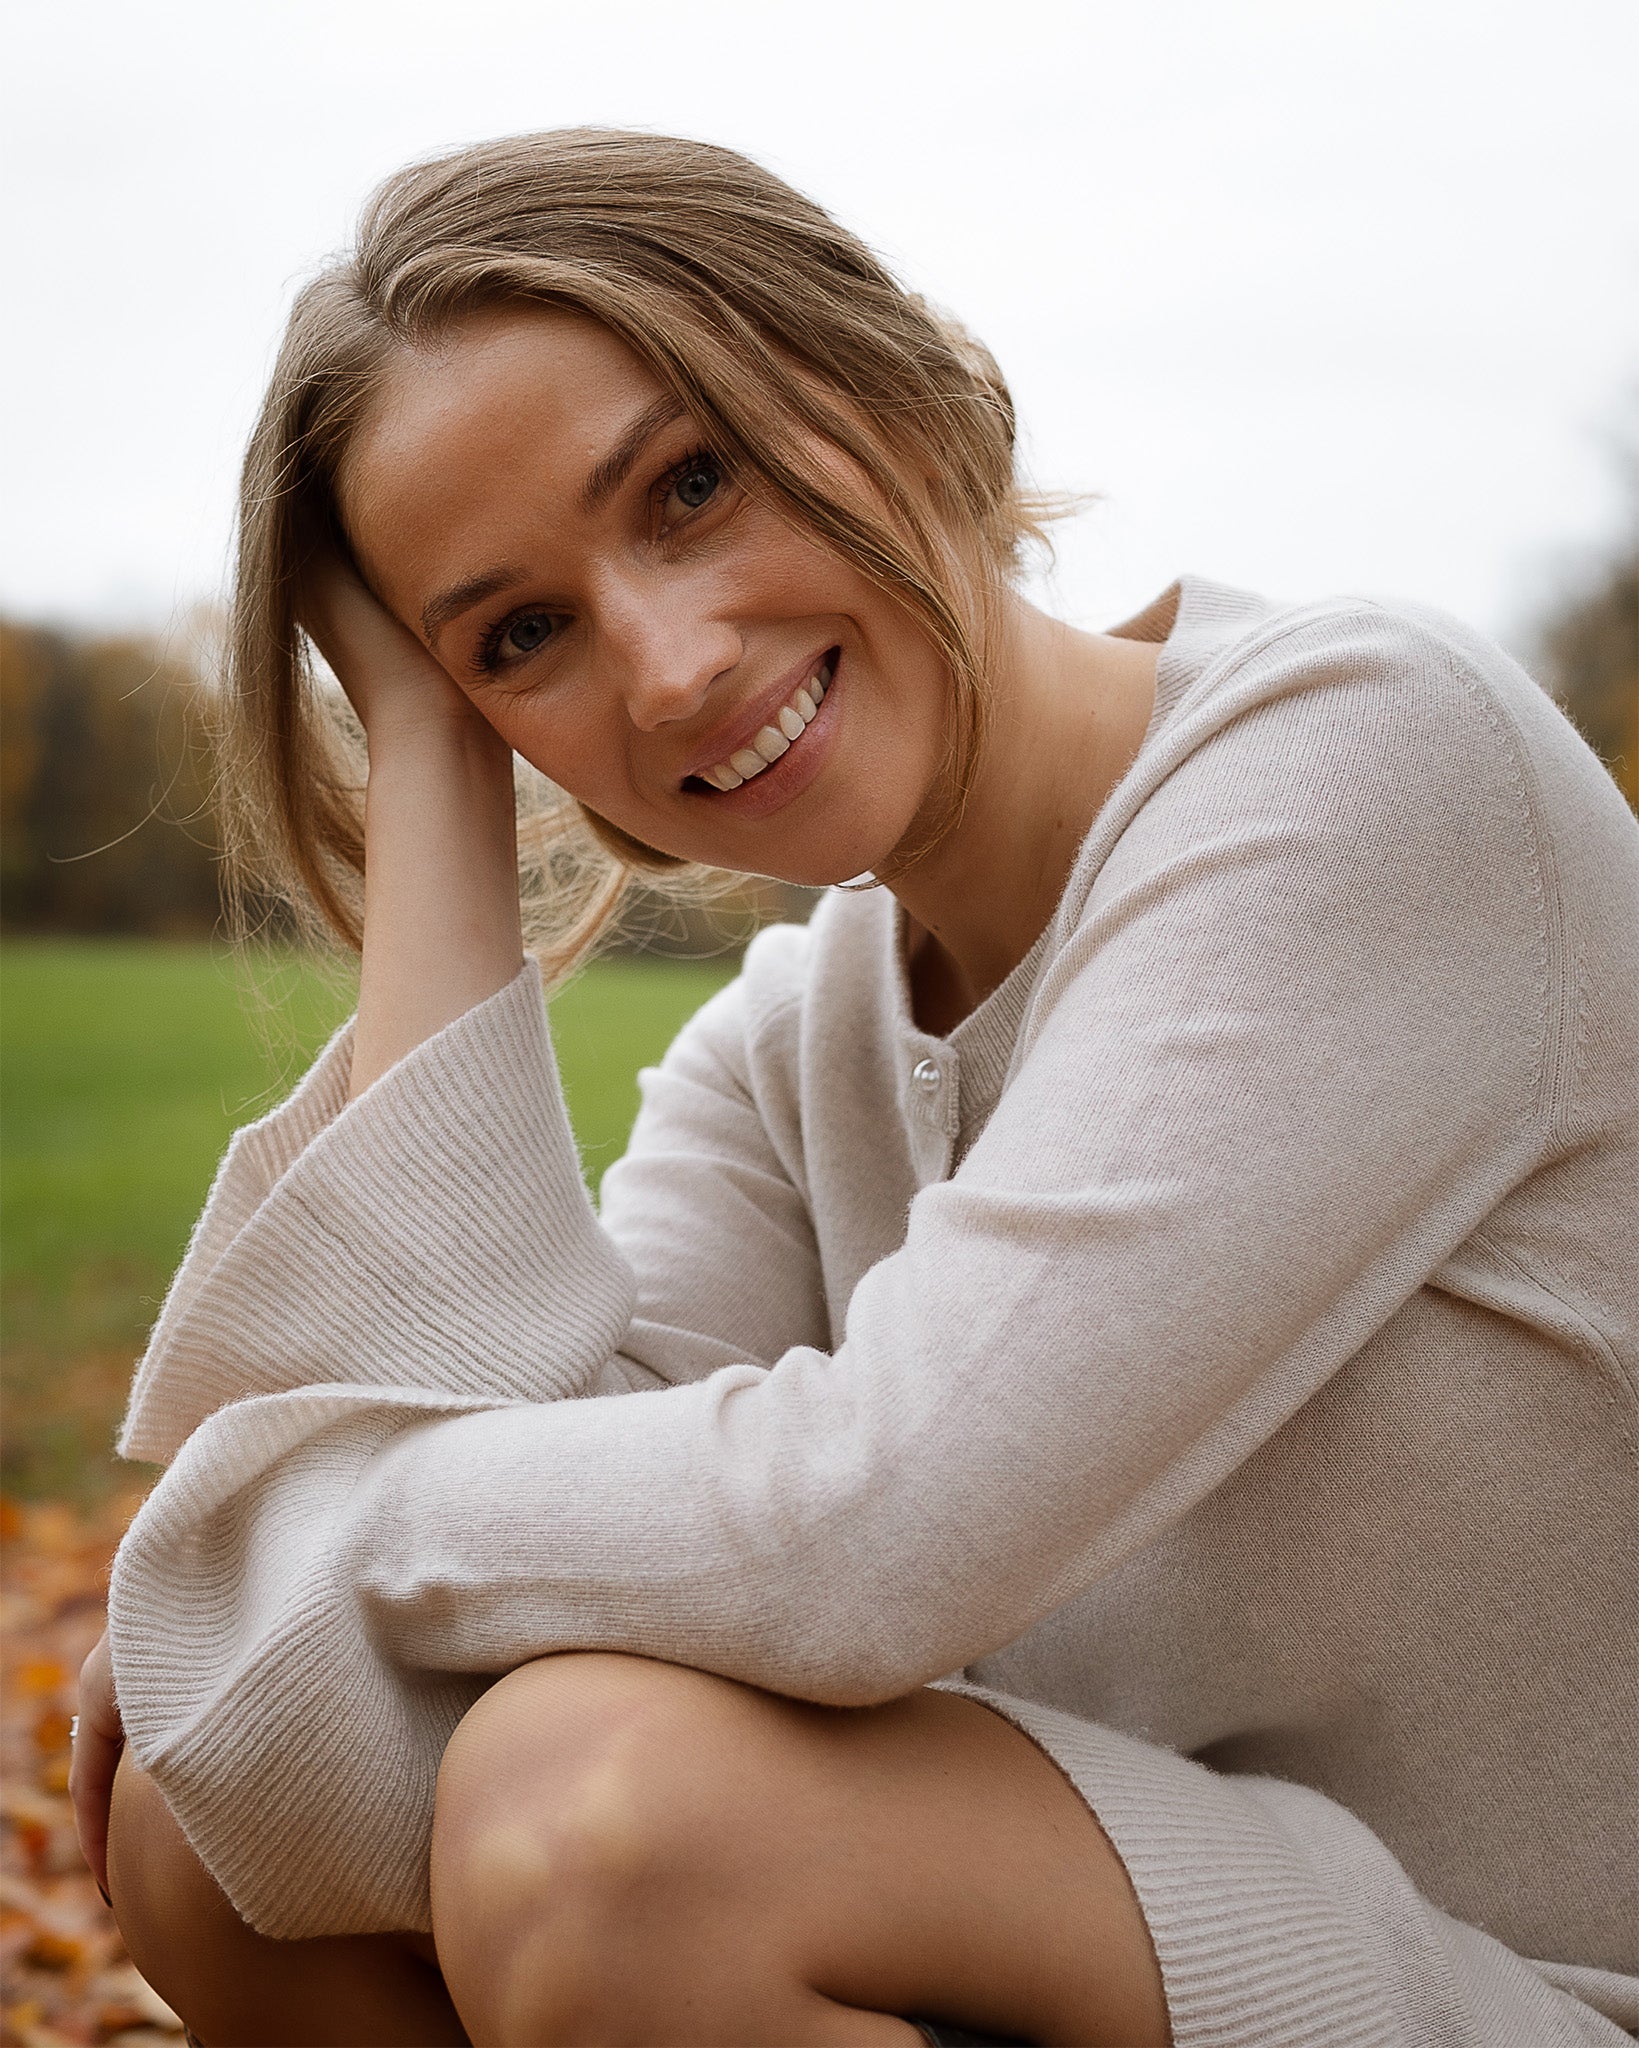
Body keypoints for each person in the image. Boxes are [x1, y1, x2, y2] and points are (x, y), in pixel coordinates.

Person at [70, 129, 1637, 2048]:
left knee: (602, 1824)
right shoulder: (795, 1043)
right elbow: (478, 1511)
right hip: (1105, 1959)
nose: (661, 669)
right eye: (520, 637)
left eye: (691, 484)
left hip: (1527, 1996)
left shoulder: (1365, 763)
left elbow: (870, 1528)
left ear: (882, 366)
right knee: (217, 1830)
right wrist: (421, 756)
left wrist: (280, 1546)